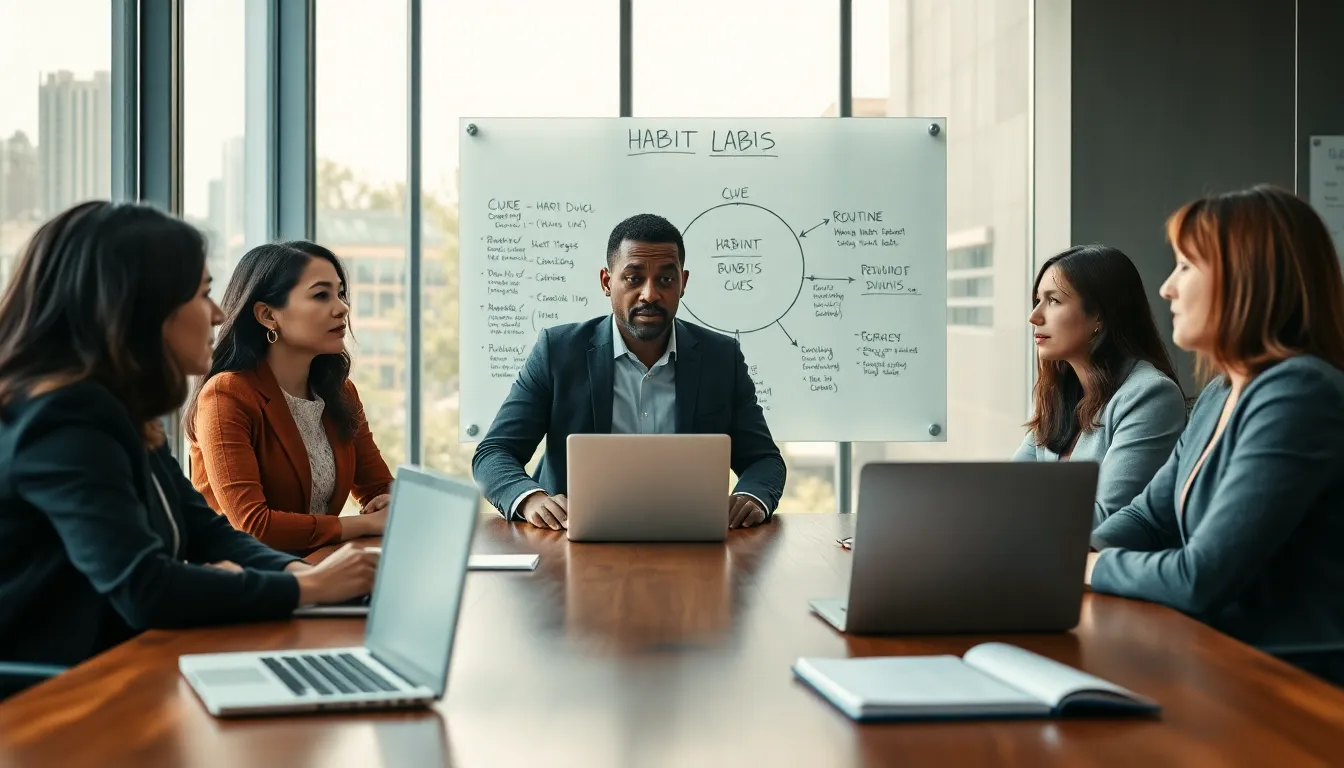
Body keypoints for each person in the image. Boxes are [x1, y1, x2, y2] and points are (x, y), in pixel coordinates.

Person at [0, 203, 377, 683]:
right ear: (142, 307)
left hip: (123, 667)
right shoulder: (64, 420)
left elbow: (205, 532)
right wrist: (307, 590)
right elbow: (144, 585)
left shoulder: (120, 410)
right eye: (202, 294)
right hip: (59, 694)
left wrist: (304, 576)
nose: (219, 313)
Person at [1086, 185, 1344, 684]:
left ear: (1247, 278)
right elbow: (1148, 515)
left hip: (1299, 687)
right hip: (1223, 664)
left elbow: (1201, 577)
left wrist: (1092, 569)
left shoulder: (1299, 392)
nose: (1166, 288)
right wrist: (1070, 549)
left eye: (1185, 266)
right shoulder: (1220, 393)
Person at [472, 213, 787, 531]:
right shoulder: (558, 351)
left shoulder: (721, 358)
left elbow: (764, 460)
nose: (650, 294)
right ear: (607, 282)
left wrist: (751, 498)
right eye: (634, 278)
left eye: (665, 279)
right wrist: (530, 499)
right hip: (570, 539)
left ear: (683, 283)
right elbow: (494, 452)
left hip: (690, 539)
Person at [187, 241, 394, 552]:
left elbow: (378, 488)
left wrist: (390, 502)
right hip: (248, 581)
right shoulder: (226, 395)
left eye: (340, 293)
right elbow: (254, 527)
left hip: (321, 565)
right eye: (321, 295)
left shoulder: (340, 391)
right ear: (268, 315)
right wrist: (365, 523)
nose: (342, 308)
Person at [1013, 244, 1186, 526]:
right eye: (1037, 300)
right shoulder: (1060, 392)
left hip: (1101, 564)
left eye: (1053, 300)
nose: (1034, 316)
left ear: (1099, 316)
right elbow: (1007, 490)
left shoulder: (1150, 395)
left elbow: (1108, 518)